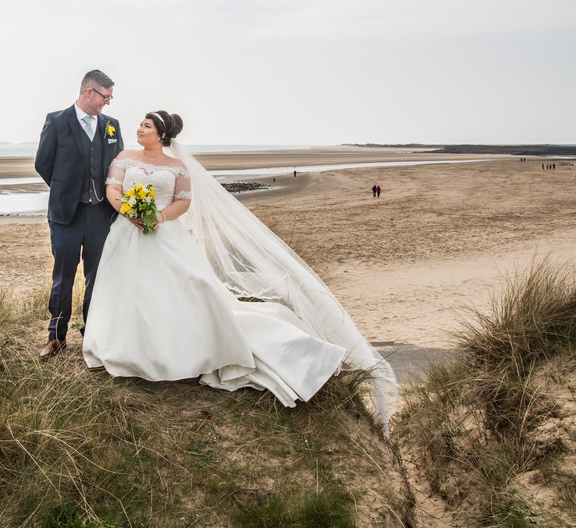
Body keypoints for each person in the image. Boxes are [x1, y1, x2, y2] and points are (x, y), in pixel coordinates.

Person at [82, 110, 397, 430]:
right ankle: (125, 349)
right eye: (140, 125)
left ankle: (180, 352)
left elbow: (182, 202)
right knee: (126, 290)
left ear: (162, 136)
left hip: (164, 234)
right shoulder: (125, 156)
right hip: (126, 233)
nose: (139, 130)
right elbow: (114, 189)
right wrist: (130, 212)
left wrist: (156, 217)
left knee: (184, 288)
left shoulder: (177, 166)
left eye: (146, 127)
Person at [35, 70, 124, 358]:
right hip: (66, 216)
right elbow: (43, 164)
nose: (107, 103)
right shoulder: (57, 121)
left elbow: (117, 166)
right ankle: (56, 338)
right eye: (105, 97)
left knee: (97, 277)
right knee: (63, 277)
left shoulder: (112, 125)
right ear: (89, 92)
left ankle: (93, 336)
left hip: (101, 215)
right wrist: (66, 190)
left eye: (110, 98)